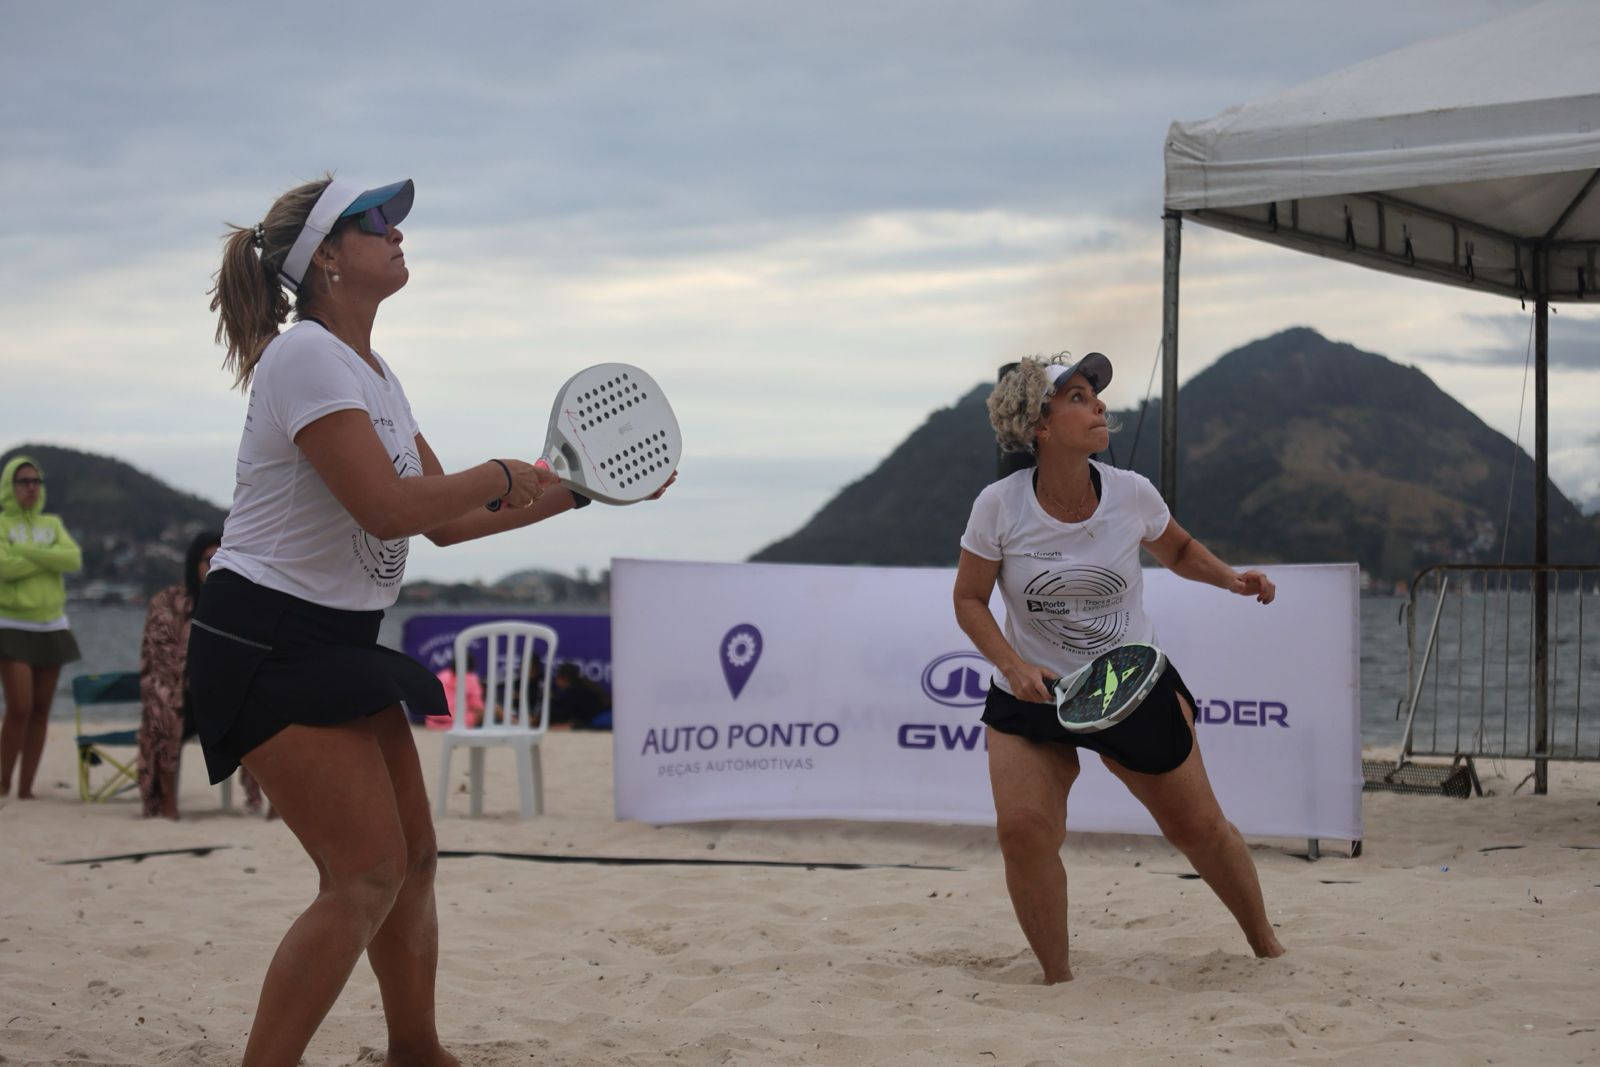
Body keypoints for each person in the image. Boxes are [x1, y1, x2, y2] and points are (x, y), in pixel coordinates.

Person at [196, 174, 674, 1066]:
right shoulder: (304, 357)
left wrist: (578, 490)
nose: (398, 232)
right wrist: (498, 468)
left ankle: (414, 1050)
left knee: (413, 856)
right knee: (366, 871)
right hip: (262, 637)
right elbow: (386, 505)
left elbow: (447, 521)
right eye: (377, 222)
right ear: (327, 258)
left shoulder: (375, 374)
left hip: (331, 637)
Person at [952, 352, 1285, 984]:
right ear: (1040, 426)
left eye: (1096, 394)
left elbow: (1178, 549)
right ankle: (1058, 982)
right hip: (1037, 693)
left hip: (1129, 683)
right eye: (1078, 396)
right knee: (1023, 831)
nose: (1100, 405)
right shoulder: (998, 506)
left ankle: (1266, 943)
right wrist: (1012, 663)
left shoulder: (1131, 492)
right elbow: (969, 599)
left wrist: (1232, 580)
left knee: (1200, 828)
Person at [138, 530, 265, 819]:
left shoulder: (241, 603)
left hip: (228, 700)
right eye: (209, 560)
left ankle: (272, 805)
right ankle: (168, 803)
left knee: (265, 712)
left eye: (223, 558)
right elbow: (159, 662)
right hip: (180, 697)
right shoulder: (168, 603)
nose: (215, 565)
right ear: (194, 563)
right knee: (164, 710)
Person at [0, 455, 83, 800]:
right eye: (23, 481)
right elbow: (4, 568)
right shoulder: (2, 524)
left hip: (52, 626)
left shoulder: (53, 523)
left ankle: (26, 789)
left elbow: (73, 559)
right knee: (19, 707)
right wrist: (47, 558)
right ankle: (2, 783)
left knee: (41, 711)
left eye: (36, 481)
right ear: (10, 486)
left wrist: (27, 552)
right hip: (12, 623)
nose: (31, 488)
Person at [549, 662, 611, 730]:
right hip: (599, 718)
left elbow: (565, 714)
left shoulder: (575, 692)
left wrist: (550, 700)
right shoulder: (578, 688)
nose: (555, 680)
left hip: (600, 721)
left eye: (557, 677)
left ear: (562, 678)